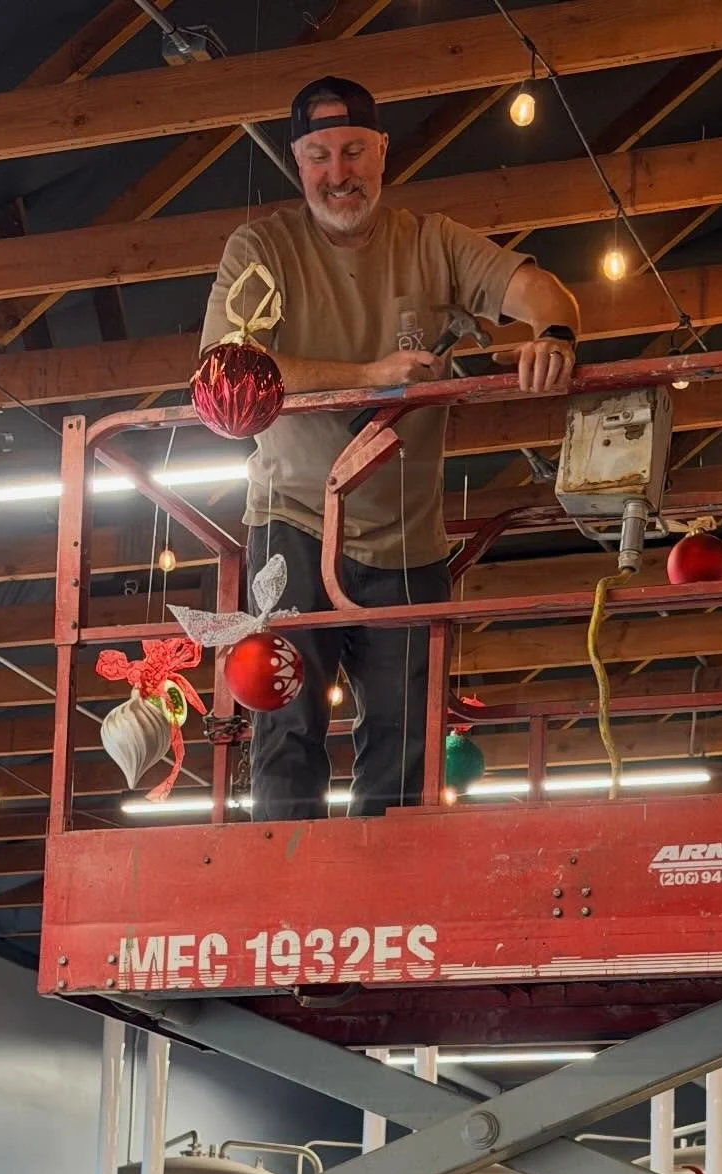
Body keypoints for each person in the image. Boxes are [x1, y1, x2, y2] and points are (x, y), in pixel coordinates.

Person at [201, 76, 581, 822]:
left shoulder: (432, 241)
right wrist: (368, 377)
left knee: (407, 739)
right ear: (296, 162)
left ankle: (381, 911)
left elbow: (544, 293)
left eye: (352, 151)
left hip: (410, 538)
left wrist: (554, 336)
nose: (337, 173)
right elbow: (229, 365)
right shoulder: (262, 247)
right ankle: (286, 896)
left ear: (380, 153)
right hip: (295, 518)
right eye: (319, 156)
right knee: (285, 719)